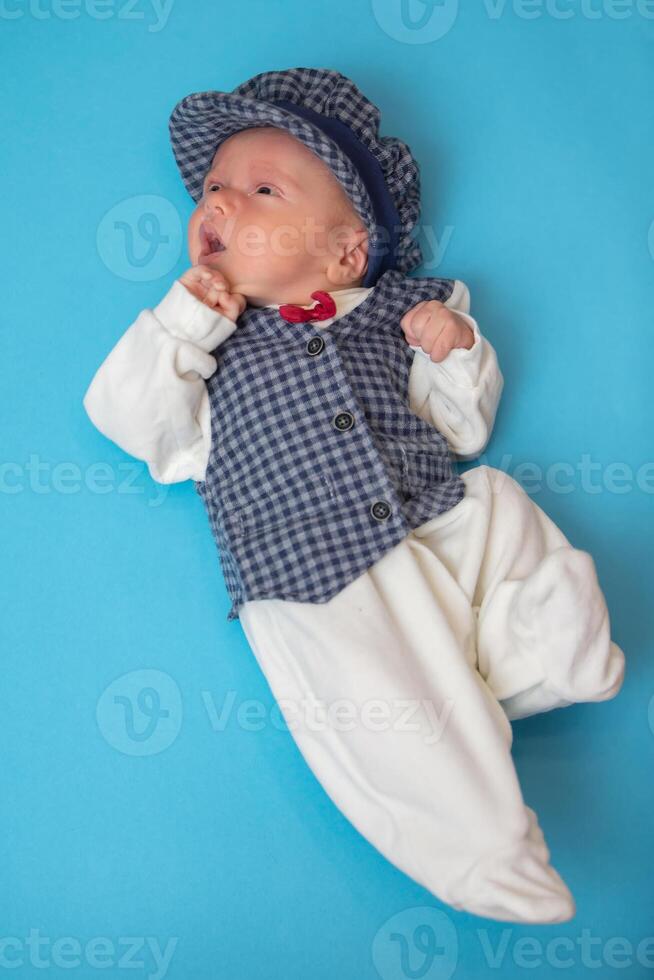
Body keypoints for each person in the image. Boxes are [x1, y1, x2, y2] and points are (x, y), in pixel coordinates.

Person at [83, 67, 625, 923]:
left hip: (428, 519)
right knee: (391, 721)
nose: (223, 202)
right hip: (314, 577)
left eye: (262, 190)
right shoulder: (202, 344)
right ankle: (482, 851)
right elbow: (129, 421)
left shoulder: (395, 310)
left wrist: (453, 352)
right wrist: (186, 324)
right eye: (215, 188)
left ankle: (539, 653)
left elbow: (462, 430)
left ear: (344, 251)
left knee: (498, 505)